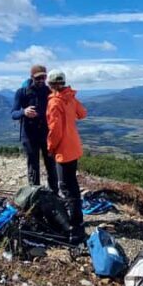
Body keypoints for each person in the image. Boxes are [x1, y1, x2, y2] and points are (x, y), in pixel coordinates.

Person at [46, 69, 88, 243]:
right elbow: (83, 114)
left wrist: (50, 147)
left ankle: (74, 223)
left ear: (51, 84)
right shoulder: (70, 97)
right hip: (74, 147)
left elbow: (55, 130)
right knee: (73, 184)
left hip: (63, 150)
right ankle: (78, 218)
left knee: (65, 186)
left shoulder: (55, 102)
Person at [10, 64, 57, 191]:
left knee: (51, 165)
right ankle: (35, 193)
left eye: (44, 77)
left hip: (47, 134)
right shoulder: (22, 92)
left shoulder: (49, 92)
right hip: (29, 135)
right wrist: (24, 112)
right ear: (31, 77)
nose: (41, 80)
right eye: (38, 78)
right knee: (33, 165)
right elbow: (13, 113)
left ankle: (55, 193)